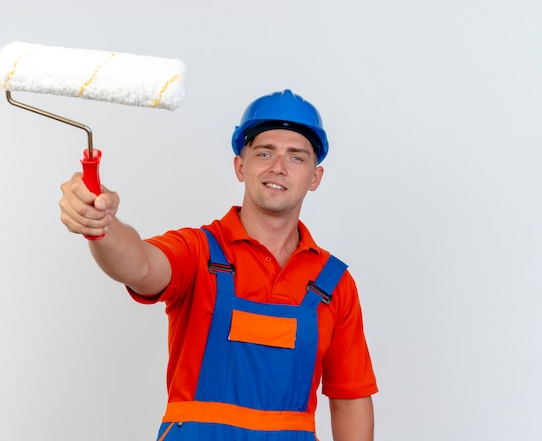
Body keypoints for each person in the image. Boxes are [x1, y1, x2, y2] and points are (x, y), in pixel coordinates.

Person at [59, 89, 378, 441]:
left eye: (296, 157)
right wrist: (102, 225)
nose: (278, 167)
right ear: (240, 166)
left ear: (314, 178)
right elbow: (140, 266)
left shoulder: (332, 283)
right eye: (264, 152)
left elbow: (350, 400)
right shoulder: (199, 253)